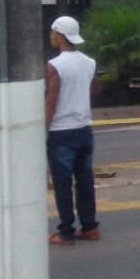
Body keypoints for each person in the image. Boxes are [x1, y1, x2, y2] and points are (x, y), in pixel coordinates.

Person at [45, 16, 101, 245]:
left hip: (61, 132)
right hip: (84, 130)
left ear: (60, 36)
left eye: (52, 32)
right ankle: (89, 227)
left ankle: (66, 232)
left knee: (62, 184)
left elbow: (51, 102)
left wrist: (43, 130)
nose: (50, 36)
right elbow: (96, 89)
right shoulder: (89, 62)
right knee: (85, 181)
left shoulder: (55, 65)